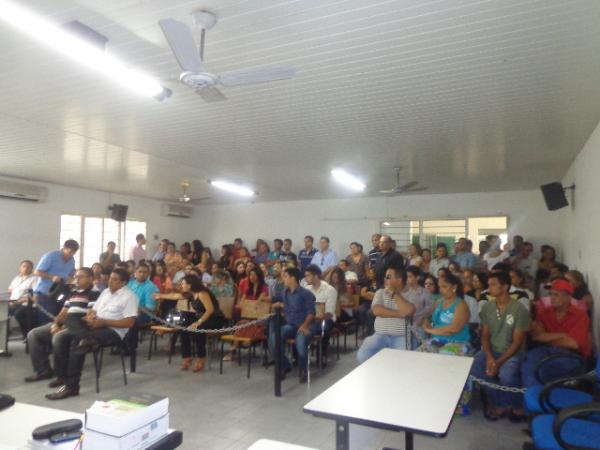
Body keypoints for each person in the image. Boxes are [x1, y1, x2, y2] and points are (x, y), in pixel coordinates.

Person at [45, 268, 138, 400]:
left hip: (112, 331)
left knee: (78, 344)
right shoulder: (105, 292)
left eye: (115, 279)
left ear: (123, 283)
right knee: (68, 326)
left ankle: (72, 387)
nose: (110, 281)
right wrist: (90, 316)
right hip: (94, 327)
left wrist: (104, 322)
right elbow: (93, 310)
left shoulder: (129, 296)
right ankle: (64, 377)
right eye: (110, 278)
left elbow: (129, 322)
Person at [470, 272, 530, 421]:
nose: (488, 288)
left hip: (513, 353)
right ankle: (501, 403)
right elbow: (484, 335)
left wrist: (498, 362)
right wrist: (490, 357)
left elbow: (517, 343)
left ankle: (517, 405)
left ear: (505, 287)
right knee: (475, 370)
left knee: (506, 376)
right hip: (492, 350)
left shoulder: (519, 310)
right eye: (489, 284)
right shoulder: (488, 308)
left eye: (493, 284)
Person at [24, 268, 98, 385]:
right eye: (76, 276)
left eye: (81, 277)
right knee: (33, 334)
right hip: (64, 323)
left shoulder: (94, 294)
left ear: (90, 279)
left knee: (58, 337)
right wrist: (56, 324)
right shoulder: (73, 293)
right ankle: (43, 370)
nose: (77, 279)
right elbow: (63, 312)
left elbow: (88, 317)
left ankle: (61, 376)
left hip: (78, 327)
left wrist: (63, 327)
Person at [521, 279, 592, 388]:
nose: (552, 298)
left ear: (568, 298)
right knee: (528, 362)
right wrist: (563, 335)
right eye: (551, 294)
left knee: (542, 369)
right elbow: (537, 336)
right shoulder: (544, 312)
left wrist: (547, 337)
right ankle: (535, 398)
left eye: (556, 295)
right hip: (546, 350)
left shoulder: (580, 316)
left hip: (572, 355)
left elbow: (573, 344)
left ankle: (538, 398)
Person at [157, 275, 224, 372]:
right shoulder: (190, 294)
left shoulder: (202, 293)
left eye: (183, 283)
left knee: (198, 329)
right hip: (201, 317)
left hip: (215, 318)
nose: (181, 285)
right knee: (183, 327)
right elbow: (176, 296)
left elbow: (210, 310)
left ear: (190, 285)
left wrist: (198, 322)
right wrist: (160, 295)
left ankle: (201, 358)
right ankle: (186, 356)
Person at [356, 267, 416, 364]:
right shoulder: (380, 292)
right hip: (380, 335)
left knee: (402, 362)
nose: (384, 279)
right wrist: (400, 314)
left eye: (388, 277)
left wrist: (395, 294)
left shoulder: (411, 293)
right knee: (362, 356)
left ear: (399, 280)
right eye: (385, 277)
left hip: (401, 336)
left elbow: (408, 311)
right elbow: (377, 310)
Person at [269, 267, 316, 383]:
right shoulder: (285, 292)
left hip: (304, 326)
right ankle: (285, 366)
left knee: (300, 344)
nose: (283, 279)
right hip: (291, 325)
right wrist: (273, 303)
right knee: (274, 338)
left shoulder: (306, 294)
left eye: (285, 276)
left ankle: (303, 370)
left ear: (293, 278)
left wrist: (304, 326)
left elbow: (312, 313)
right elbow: (274, 299)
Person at [33, 240, 79, 325]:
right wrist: (51, 277)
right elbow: (37, 272)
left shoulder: (72, 260)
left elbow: (71, 274)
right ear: (64, 248)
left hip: (60, 293)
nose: (71, 254)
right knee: (48, 318)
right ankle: (43, 337)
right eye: (70, 252)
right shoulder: (50, 256)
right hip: (45, 292)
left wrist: (73, 278)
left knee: (59, 316)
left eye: (74, 253)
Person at [304, 264, 337, 357]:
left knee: (323, 328)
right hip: (311, 318)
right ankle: (299, 357)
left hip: (326, 319)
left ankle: (321, 355)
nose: (306, 278)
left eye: (308, 275)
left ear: (316, 276)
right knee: (300, 327)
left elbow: (329, 313)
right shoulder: (307, 289)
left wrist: (314, 318)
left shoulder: (330, 290)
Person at [403, 266, 433, 348]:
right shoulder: (403, 292)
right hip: (403, 324)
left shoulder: (425, 292)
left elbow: (429, 310)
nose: (407, 279)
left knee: (416, 341)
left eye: (409, 276)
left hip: (419, 325)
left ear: (417, 277)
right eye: (406, 276)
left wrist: (422, 319)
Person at [7, 260, 37, 340]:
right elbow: (9, 291)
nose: (26, 268)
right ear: (20, 268)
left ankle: (26, 336)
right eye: (24, 266)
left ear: (32, 269)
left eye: (28, 267)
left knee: (18, 314)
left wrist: (18, 301)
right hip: (12, 303)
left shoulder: (34, 279)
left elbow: (34, 295)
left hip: (25, 304)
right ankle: (4, 335)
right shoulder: (16, 278)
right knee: (2, 312)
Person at [358, 267, 378, 335]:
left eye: (372, 273)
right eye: (369, 273)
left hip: (376, 304)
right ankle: (367, 328)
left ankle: (370, 331)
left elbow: (379, 296)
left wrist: (369, 294)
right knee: (360, 310)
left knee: (369, 313)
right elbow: (362, 294)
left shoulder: (380, 282)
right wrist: (371, 295)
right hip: (367, 303)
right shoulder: (367, 282)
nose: (370, 275)